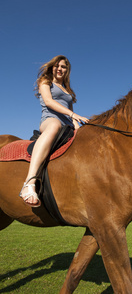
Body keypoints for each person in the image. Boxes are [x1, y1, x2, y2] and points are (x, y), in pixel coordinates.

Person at [19, 55, 89, 207]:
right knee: (54, 125)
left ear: (67, 70)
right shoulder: (46, 81)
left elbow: (71, 114)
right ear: (52, 67)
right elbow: (49, 102)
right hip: (50, 120)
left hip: (67, 125)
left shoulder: (68, 90)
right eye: (57, 66)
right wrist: (73, 115)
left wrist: (78, 127)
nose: (60, 69)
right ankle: (29, 181)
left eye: (63, 67)